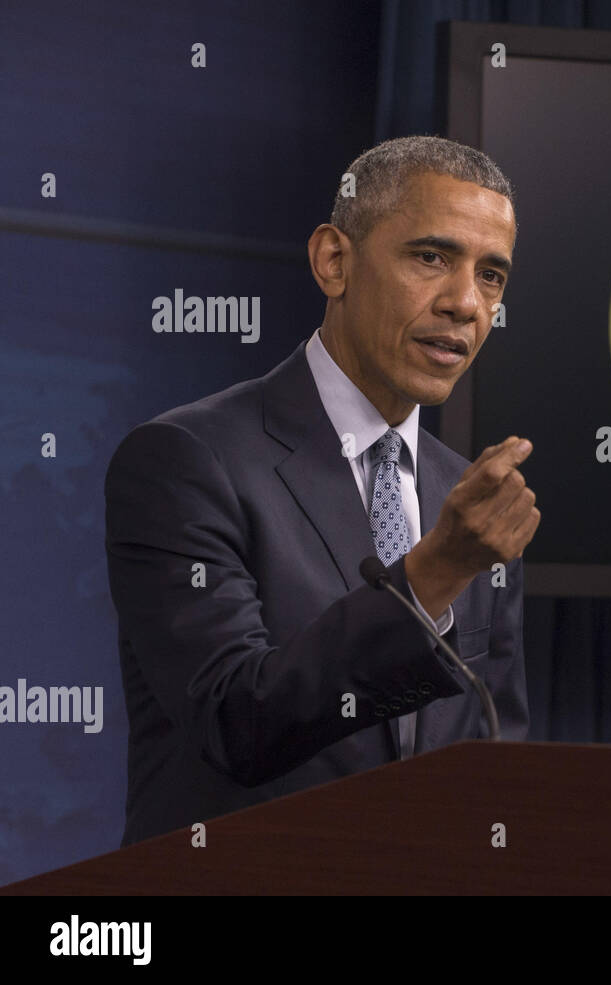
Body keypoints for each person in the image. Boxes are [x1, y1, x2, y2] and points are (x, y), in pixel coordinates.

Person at [105, 135, 538, 846]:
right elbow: (235, 722)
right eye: (431, 257)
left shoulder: (467, 495)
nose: (466, 302)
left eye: (491, 276)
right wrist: (436, 572)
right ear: (334, 261)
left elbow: (496, 755)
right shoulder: (187, 460)